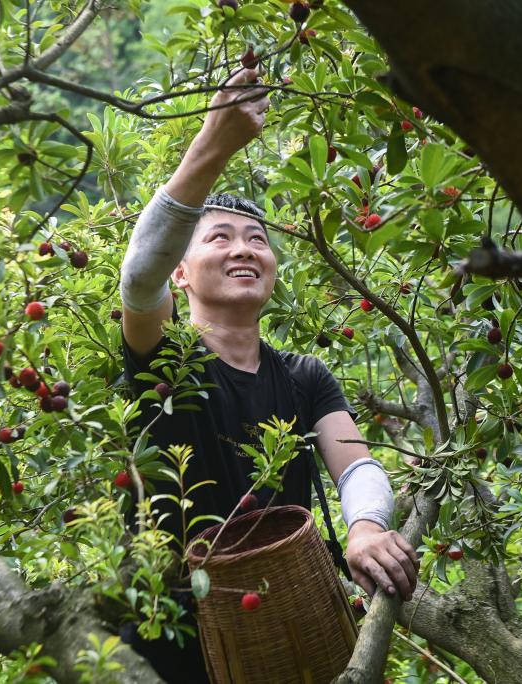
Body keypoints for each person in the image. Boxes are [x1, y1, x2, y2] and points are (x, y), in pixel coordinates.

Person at [118, 66, 418, 682]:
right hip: (168, 643)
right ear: (183, 273)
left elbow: (357, 466)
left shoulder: (305, 376)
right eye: (219, 238)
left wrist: (364, 529)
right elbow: (139, 276)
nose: (243, 249)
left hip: (290, 631)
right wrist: (214, 141)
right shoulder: (165, 357)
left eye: (257, 238)